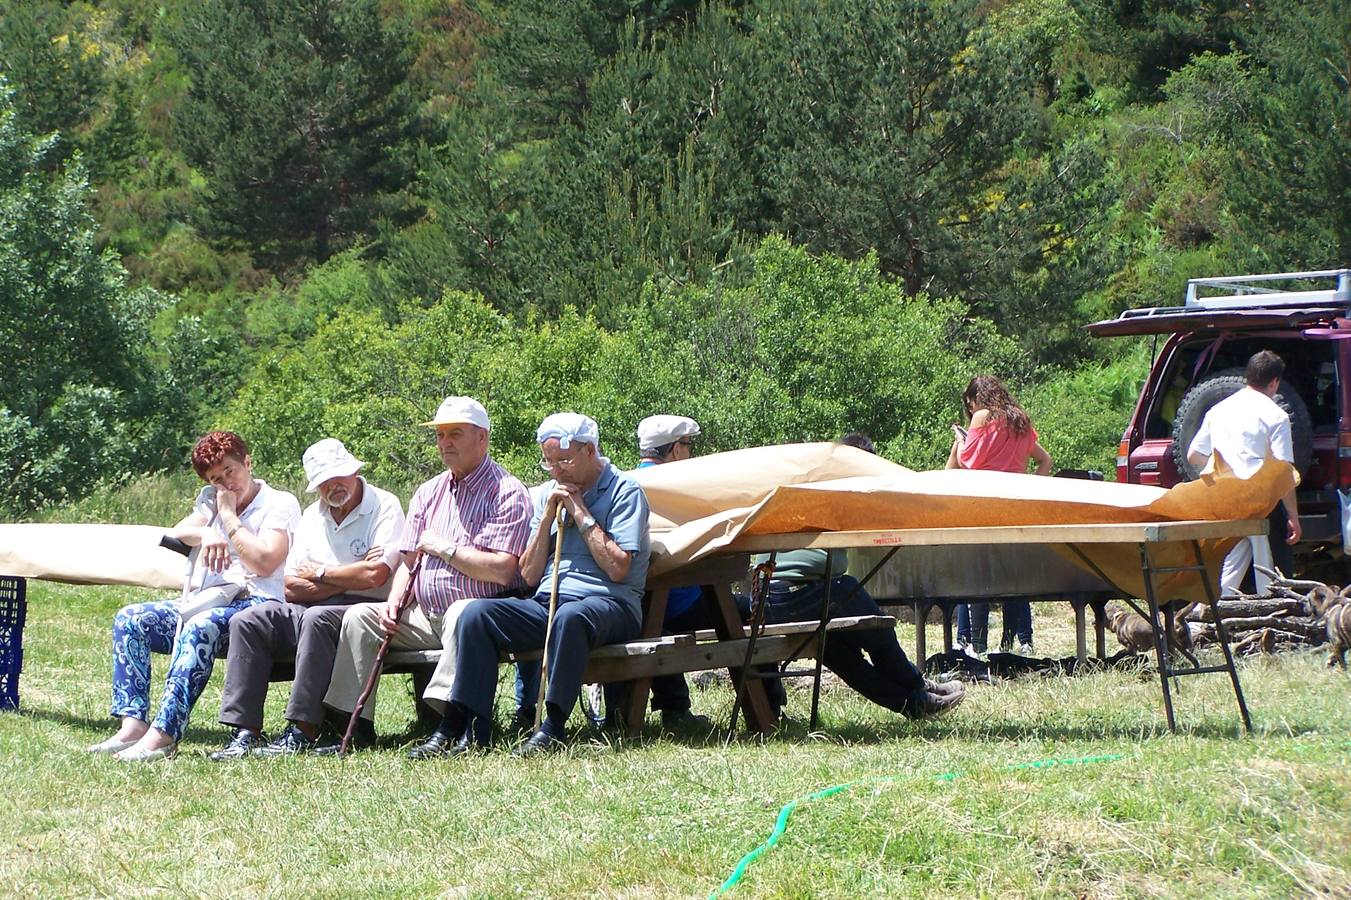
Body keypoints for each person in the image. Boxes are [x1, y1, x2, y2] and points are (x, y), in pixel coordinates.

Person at [325, 397, 532, 759]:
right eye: (440, 435)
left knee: (460, 613)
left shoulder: (507, 492)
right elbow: (409, 563)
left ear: (482, 438)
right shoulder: (428, 491)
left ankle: (449, 723)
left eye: (455, 434)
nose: (445, 443)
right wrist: (393, 602)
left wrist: (445, 548)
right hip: (424, 613)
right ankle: (354, 726)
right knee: (360, 617)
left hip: (481, 616)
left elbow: (502, 570)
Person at [445, 413, 650, 757]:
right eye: (549, 462)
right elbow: (527, 575)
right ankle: (474, 730)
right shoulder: (546, 496)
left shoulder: (625, 491)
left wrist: (581, 512)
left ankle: (552, 727)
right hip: (548, 603)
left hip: (610, 605)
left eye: (564, 460)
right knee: (476, 615)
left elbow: (618, 568)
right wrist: (545, 521)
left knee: (570, 616)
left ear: (590, 451)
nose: (556, 470)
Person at [89, 431, 300, 762]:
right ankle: (132, 725)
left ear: (248, 462)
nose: (226, 484)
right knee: (131, 619)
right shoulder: (213, 502)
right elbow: (178, 531)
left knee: (200, 625)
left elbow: (264, 562)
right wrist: (207, 530)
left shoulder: (279, 503)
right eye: (216, 479)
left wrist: (228, 520)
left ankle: (165, 734)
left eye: (230, 470)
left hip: (259, 607)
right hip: (214, 599)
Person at [741, 432, 965, 722]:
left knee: (840, 652)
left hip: (770, 603)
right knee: (872, 622)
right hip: (790, 595)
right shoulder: (835, 490)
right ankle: (917, 684)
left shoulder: (809, 483)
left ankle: (915, 704)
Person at [209, 439, 405, 759]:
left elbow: (376, 577)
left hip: (363, 609)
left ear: (354, 470)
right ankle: (245, 731)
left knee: (317, 617)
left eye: (339, 476)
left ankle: (304, 728)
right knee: (249, 620)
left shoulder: (384, 505)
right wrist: (342, 575)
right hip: (308, 604)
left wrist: (320, 572)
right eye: (324, 482)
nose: (333, 486)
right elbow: (289, 586)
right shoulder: (313, 514)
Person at [601, 414, 711, 730]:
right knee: (751, 610)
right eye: (688, 445)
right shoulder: (681, 490)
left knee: (655, 610)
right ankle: (771, 707)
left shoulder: (622, 485)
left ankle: (671, 706)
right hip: (673, 604)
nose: (690, 452)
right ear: (676, 450)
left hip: (629, 603)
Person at [945, 376, 1052, 656]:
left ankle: (976, 645)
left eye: (969, 405)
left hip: (984, 505)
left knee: (977, 577)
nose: (970, 412)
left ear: (976, 400)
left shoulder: (982, 416)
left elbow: (969, 460)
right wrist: (1032, 487)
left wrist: (960, 441)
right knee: (1013, 578)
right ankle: (1017, 643)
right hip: (1016, 507)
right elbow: (1045, 460)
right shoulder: (1020, 419)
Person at [1186, 350, 1301, 596]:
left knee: (1233, 563)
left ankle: (1202, 622)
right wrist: (1293, 515)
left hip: (1225, 501)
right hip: (1260, 504)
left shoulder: (1218, 410)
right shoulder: (1276, 415)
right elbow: (1283, 473)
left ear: (1248, 376)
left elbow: (1192, 455)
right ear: (1274, 382)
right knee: (1270, 572)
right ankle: (1274, 622)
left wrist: (1221, 470)